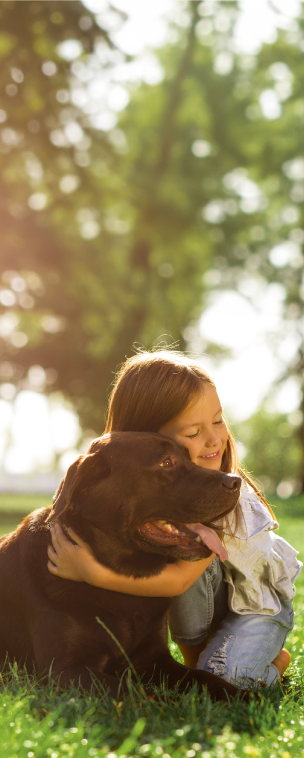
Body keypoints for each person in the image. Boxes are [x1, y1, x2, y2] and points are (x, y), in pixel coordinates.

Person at [47, 350, 302, 688]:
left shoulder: (215, 492)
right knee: (204, 673)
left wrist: (91, 573)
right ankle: (198, 657)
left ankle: (273, 663)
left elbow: (178, 582)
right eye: (193, 432)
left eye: (218, 420)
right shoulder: (166, 497)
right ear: (151, 440)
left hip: (258, 610)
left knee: (233, 680)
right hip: (215, 604)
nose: (214, 438)